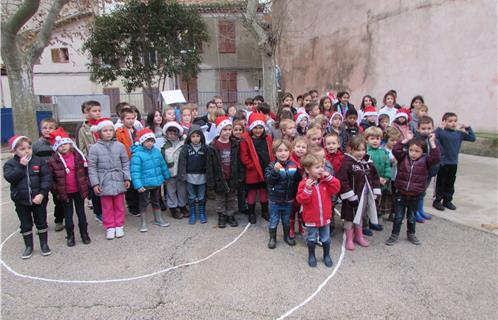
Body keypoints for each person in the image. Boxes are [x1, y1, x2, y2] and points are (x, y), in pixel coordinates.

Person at [385, 134, 440, 246]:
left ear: (423, 152)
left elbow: (436, 157)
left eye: (417, 151)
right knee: (398, 217)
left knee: (411, 217)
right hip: (401, 193)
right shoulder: (403, 157)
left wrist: (432, 142)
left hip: (415, 195)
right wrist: (406, 140)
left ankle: (411, 234)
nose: (413, 153)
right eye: (411, 150)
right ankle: (394, 235)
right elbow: (396, 149)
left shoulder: (426, 161)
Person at [4, 135, 52, 259]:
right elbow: (10, 178)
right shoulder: (10, 164)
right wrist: (21, 166)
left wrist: (42, 194)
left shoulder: (39, 161)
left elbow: (47, 179)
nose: (27, 151)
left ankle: (44, 244)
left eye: (29, 148)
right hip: (21, 200)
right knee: (25, 224)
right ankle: (29, 246)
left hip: (39, 200)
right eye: (22, 149)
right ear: (14, 151)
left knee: (41, 222)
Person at [47, 128, 91, 247]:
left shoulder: (78, 157)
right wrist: (56, 190)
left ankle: (84, 233)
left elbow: (86, 172)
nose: (63, 147)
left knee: (81, 213)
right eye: (60, 145)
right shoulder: (53, 160)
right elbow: (51, 178)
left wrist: (86, 185)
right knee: (68, 215)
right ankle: (70, 235)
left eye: (65, 144)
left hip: (79, 191)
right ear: (56, 147)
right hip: (65, 192)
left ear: (70, 144)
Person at [88, 118, 131, 240]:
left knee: (119, 204)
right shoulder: (94, 148)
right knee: (106, 205)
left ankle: (119, 225)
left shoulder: (120, 146)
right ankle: (110, 226)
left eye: (110, 130)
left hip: (118, 177)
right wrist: (95, 183)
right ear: (100, 133)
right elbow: (92, 168)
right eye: (105, 130)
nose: (108, 133)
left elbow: (125, 163)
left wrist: (126, 178)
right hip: (104, 179)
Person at [337, 136, 381, 251]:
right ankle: (349, 239)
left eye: (363, 150)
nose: (361, 153)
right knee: (350, 217)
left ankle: (359, 236)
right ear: (350, 149)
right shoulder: (347, 163)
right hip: (352, 197)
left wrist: (375, 190)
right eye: (357, 150)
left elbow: (375, 177)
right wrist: (350, 195)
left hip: (365, 195)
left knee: (360, 216)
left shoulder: (368, 163)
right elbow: (342, 180)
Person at [296, 153, 341, 267]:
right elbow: (301, 200)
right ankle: (311, 255)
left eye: (322, 166)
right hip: (311, 218)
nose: (321, 169)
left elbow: (336, 188)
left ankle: (326, 255)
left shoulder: (325, 181)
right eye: (317, 167)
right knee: (311, 239)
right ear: (307, 169)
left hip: (325, 217)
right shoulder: (303, 184)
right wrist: (308, 189)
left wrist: (329, 177)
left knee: (326, 238)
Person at [433, 112, 476, 211]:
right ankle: (437, 201)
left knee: (450, 183)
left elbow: (472, 138)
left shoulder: (459, 133)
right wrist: (440, 128)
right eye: (450, 121)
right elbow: (433, 135)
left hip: (453, 163)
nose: (453, 123)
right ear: (444, 122)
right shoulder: (442, 132)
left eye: (455, 121)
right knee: (441, 182)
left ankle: (447, 201)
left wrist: (468, 128)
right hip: (443, 163)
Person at [131, 129, 171, 232]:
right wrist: (138, 185)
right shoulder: (137, 154)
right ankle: (143, 222)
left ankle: (158, 218)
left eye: (152, 141)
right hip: (144, 184)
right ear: (142, 142)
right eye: (147, 141)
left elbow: (162, 165)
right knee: (143, 203)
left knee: (156, 200)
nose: (150, 143)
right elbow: (135, 171)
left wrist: (166, 176)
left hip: (156, 182)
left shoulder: (156, 151)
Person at [264, 139, 301, 249]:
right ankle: (272, 238)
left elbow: (297, 180)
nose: (283, 153)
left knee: (286, 220)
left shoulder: (293, 165)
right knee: (274, 220)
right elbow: (268, 181)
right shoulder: (271, 166)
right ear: (274, 153)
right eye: (279, 151)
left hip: (288, 200)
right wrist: (275, 172)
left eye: (285, 150)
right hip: (275, 200)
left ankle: (286, 236)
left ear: (290, 152)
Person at [240, 112, 274, 224]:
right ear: (251, 128)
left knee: (264, 191)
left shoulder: (268, 138)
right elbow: (244, 156)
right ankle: (251, 213)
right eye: (255, 128)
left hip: (265, 169)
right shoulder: (246, 139)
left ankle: (264, 211)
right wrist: (251, 165)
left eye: (260, 128)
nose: (258, 130)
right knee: (252, 192)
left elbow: (271, 152)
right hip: (253, 171)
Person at [208, 116, 242, 228]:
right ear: (219, 131)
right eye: (225, 129)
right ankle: (221, 215)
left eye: (229, 129)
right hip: (219, 177)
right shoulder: (213, 146)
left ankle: (230, 215)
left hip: (232, 176)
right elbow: (210, 166)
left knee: (232, 197)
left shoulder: (235, 144)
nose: (227, 132)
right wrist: (211, 181)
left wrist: (239, 176)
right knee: (220, 198)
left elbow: (238, 161)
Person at [32, 118, 65, 232]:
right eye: (45, 128)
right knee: (41, 201)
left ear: (56, 130)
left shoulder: (58, 143)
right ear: (40, 130)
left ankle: (59, 221)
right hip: (41, 178)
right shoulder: (36, 145)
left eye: (51, 128)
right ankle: (41, 223)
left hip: (56, 176)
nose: (47, 130)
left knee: (59, 200)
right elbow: (32, 161)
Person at [178, 125, 211, 224]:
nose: (195, 139)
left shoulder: (205, 148)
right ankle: (192, 214)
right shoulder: (185, 148)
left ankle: (202, 213)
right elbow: (182, 163)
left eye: (198, 136)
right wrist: (182, 175)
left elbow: (208, 163)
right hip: (190, 176)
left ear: (201, 136)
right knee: (191, 196)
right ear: (189, 137)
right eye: (193, 136)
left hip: (202, 177)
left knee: (201, 196)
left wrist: (209, 175)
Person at [76, 100, 103, 222]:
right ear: (87, 112)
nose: (97, 113)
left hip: (105, 160)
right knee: (95, 186)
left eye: (99, 111)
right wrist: (87, 159)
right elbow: (81, 147)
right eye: (94, 111)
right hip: (92, 161)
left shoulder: (103, 124)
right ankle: (98, 212)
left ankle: (106, 208)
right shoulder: (82, 128)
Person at [365, 126, 392, 233]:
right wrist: (377, 178)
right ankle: (366, 224)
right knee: (368, 204)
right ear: (367, 140)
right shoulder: (367, 153)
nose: (375, 141)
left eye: (377, 138)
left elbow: (387, 166)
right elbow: (367, 169)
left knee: (377, 203)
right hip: (370, 184)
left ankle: (374, 221)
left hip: (381, 184)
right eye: (372, 138)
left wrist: (386, 177)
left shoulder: (383, 152)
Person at [414, 116, 441, 222]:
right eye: (424, 128)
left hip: (430, 170)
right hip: (420, 171)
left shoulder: (434, 140)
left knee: (423, 192)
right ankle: (415, 211)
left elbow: (438, 153)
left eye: (429, 128)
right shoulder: (416, 141)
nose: (426, 131)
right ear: (418, 128)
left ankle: (420, 210)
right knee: (417, 192)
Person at [116, 108, 141, 216]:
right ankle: (132, 206)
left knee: (137, 181)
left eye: (133, 118)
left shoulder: (137, 130)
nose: (131, 121)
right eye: (128, 118)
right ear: (122, 120)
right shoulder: (119, 132)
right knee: (129, 184)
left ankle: (139, 203)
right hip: (127, 160)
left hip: (137, 159)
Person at [162, 121, 187, 219]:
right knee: (171, 191)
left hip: (181, 172)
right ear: (166, 134)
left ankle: (182, 206)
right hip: (170, 172)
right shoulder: (164, 147)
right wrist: (164, 174)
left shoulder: (183, 144)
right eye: (170, 133)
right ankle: (173, 207)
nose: (172, 135)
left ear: (178, 134)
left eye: (174, 133)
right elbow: (163, 161)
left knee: (182, 190)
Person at [289, 136, 308, 238]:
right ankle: (291, 227)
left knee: (302, 210)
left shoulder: (308, 160)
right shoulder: (290, 159)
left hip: (303, 189)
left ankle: (301, 226)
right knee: (292, 210)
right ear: (293, 147)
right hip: (293, 189)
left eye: (303, 147)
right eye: (298, 146)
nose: (300, 149)